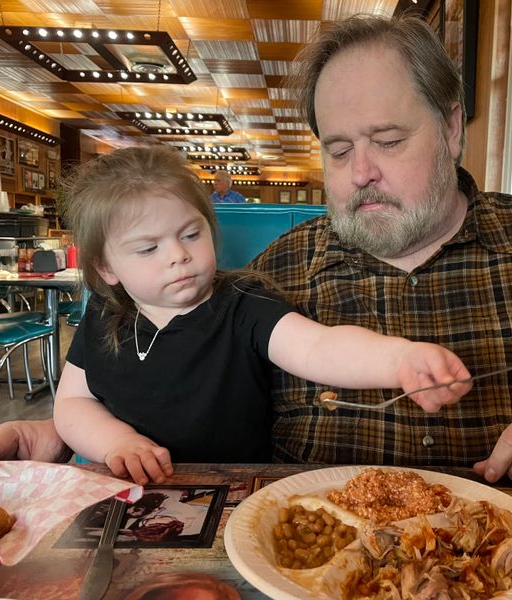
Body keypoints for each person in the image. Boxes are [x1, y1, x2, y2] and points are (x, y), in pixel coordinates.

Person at [0, 16, 512, 492]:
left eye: (386, 141)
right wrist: (51, 435)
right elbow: (172, 384)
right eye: (338, 149)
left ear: (450, 128)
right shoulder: (268, 275)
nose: (360, 173)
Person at [49, 144, 470, 484]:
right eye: (148, 248)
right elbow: (72, 403)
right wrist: (117, 442)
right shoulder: (105, 313)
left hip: (233, 490)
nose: (178, 255)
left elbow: (319, 348)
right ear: (106, 267)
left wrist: (400, 360)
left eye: (191, 234)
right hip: (127, 491)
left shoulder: (243, 303)